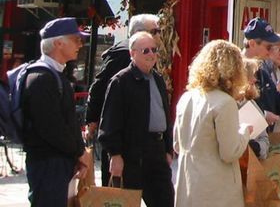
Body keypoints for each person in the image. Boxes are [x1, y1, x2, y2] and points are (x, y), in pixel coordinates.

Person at [98, 31, 174, 207]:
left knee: (165, 200)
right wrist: (115, 155)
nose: (151, 54)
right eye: (145, 51)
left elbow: (165, 116)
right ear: (132, 53)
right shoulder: (120, 81)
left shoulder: (158, 79)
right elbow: (110, 121)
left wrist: (168, 149)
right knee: (127, 202)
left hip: (157, 151)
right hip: (131, 154)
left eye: (154, 50)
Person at [174, 40, 253, 207]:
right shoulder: (225, 103)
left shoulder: (186, 98)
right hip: (216, 190)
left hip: (188, 185)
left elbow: (176, 145)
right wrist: (245, 131)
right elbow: (229, 152)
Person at [22, 17, 91, 207]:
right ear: (59, 43)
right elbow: (51, 128)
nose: (80, 44)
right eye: (76, 39)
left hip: (59, 162)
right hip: (47, 164)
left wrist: (77, 153)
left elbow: (67, 123)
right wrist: (79, 152)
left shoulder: (54, 75)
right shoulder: (40, 78)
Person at [85, 13, 160, 185]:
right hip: (120, 135)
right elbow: (100, 86)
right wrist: (92, 120)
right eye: (155, 31)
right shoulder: (123, 55)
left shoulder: (152, 64)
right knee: (117, 194)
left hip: (143, 143)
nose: (158, 36)